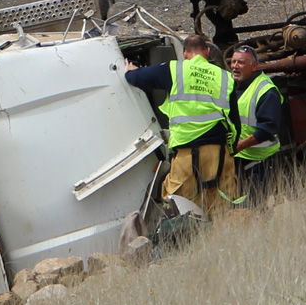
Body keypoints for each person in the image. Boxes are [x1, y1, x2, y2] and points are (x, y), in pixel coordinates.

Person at [124, 35, 237, 219]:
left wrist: (130, 71)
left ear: (184, 53)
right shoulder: (224, 76)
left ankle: (191, 244)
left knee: (180, 205)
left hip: (186, 152)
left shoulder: (174, 69)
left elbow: (139, 78)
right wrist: (230, 149)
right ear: (207, 52)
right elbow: (234, 120)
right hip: (218, 151)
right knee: (220, 205)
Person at [227, 44, 290, 204]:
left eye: (240, 63)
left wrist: (239, 145)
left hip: (259, 165)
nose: (235, 66)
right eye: (233, 62)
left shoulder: (266, 91)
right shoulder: (230, 84)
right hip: (238, 160)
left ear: (254, 66)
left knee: (256, 208)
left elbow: (268, 129)